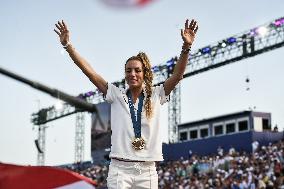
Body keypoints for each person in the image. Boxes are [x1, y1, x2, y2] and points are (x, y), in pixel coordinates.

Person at [54, 19, 198, 189]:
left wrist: (186, 48)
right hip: (119, 169)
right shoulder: (116, 95)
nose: (133, 74)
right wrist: (68, 46)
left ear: (145, 73)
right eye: (128, 70)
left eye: (137, 70)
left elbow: (177, 76)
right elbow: (90, 72)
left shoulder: (157, 94)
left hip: (147, 171)